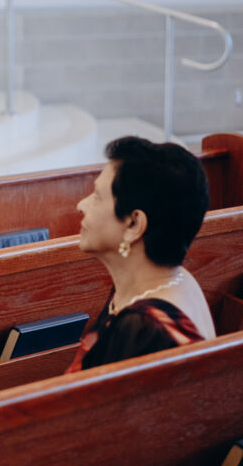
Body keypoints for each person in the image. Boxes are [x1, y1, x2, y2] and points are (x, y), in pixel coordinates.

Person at [66, 136, 215, 372]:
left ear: (134, 224)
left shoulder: (144, 327)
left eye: (97, 196)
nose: (81, 205)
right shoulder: (173, 279)